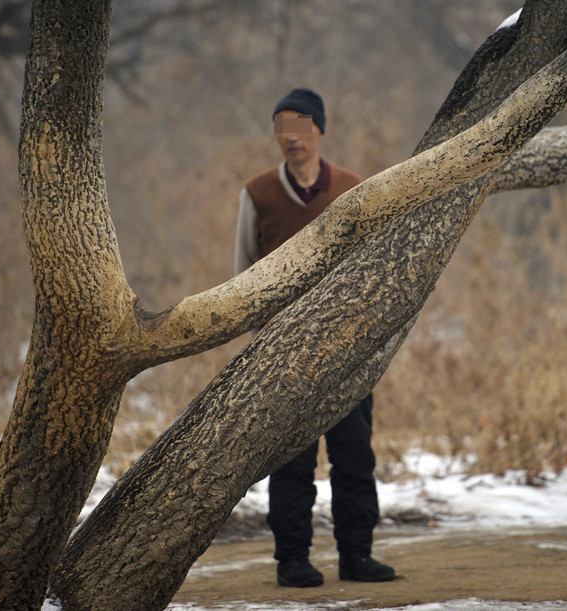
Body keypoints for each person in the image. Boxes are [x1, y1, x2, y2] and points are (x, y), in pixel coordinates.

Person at [234, 88, 396, 588]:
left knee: (354, 458)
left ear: (319, 131)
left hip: (347, 350)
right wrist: (257, 347)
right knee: (290, 465)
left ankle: (357, 556)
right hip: (280, 358)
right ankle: (293, 561)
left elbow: (373, 268)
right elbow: (242, 273)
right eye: (282, 128)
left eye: (300, 128)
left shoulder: (352, 187)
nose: (291, 139)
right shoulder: (257, 193)